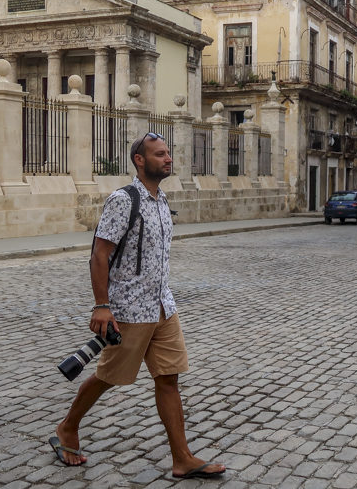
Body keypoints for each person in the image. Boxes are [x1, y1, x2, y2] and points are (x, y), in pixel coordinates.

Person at [50, 132, 226, 480]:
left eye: (168, 154)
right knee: (107, 377)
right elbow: (99, 254)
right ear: (139, 160)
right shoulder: (123, 200)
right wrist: (102, 306)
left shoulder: (161, 201)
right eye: (159, 154)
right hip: (129, 310)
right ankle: (67, 428)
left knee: (168, 378)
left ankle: (182, 458)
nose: (168, 159)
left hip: (163, 307)